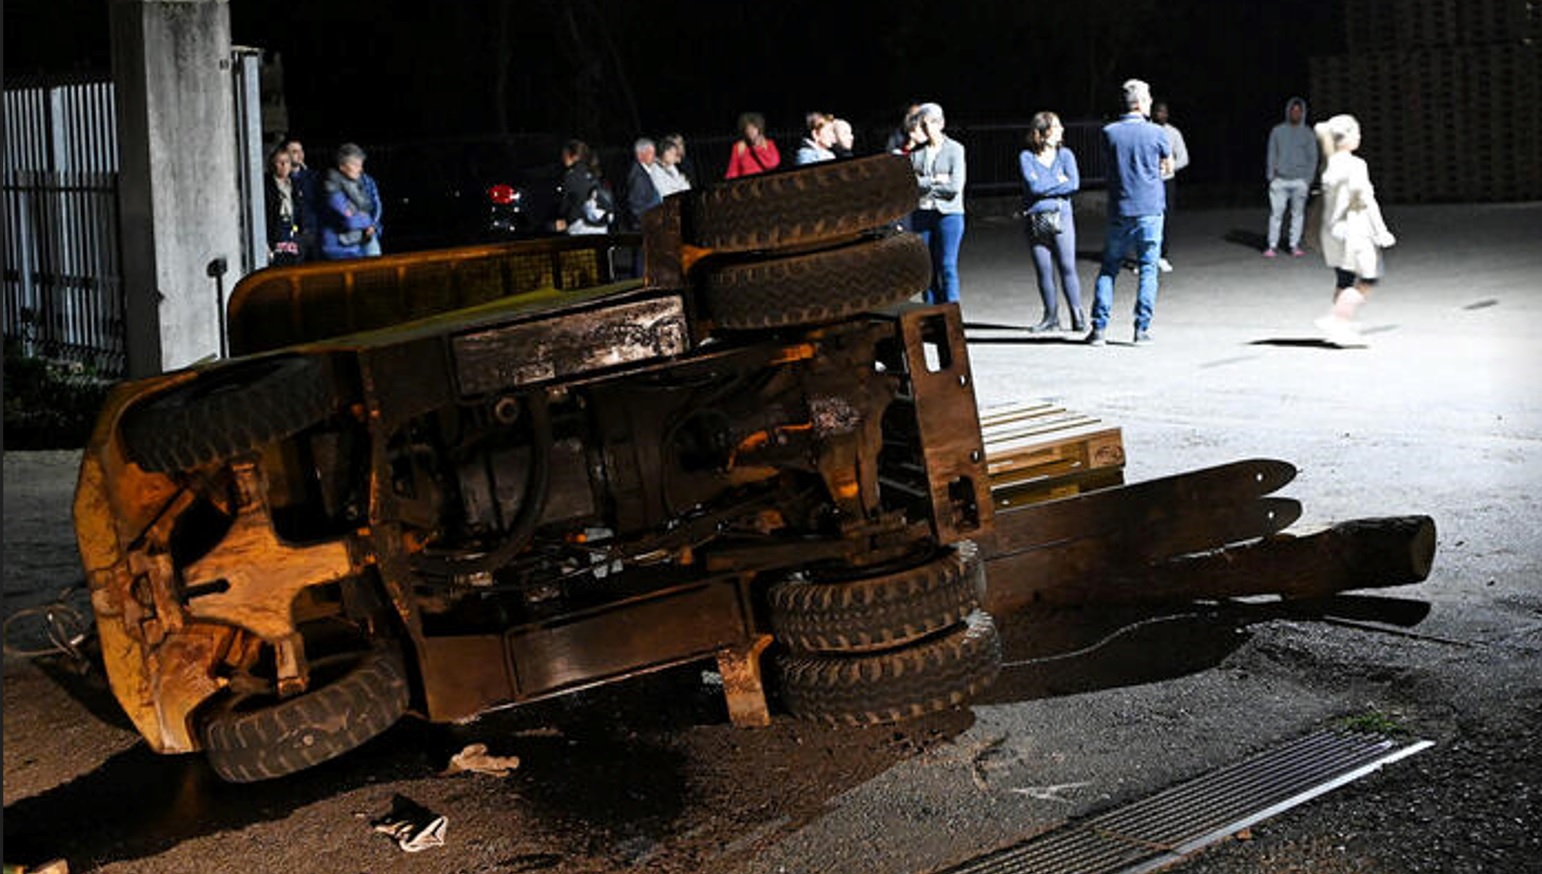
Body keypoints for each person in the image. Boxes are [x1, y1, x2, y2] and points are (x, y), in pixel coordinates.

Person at [1087, 79, 1171, 346]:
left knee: (1109, 267)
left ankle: (1099, 328)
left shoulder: (1109, 132)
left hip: (1120, 207)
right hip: (1150, 208)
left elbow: (1109, 167)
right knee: (1148, 268)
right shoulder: (1158, 133)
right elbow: (1167, 169)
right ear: (1142, 102)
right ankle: (1141, 329)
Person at [1312, 114, 1395, 345]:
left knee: (1344, 278)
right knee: (1370, 277)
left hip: (1331, 230)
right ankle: (1339, 319)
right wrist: (1381, 231)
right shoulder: (1356, 165)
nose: (1360, 136)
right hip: (1353, 231)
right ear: (1345, 138)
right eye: (1356, 132)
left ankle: (1339, 322)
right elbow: (1365, 200)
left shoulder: (1329, 164)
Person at [1019, 111, 1085, 333]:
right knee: (1043, 269)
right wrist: (1058, 183)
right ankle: (1051, 316)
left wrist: (1046, 186)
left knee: (1068, 266)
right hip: (1035, 218)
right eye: (1056, 127)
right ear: (1043, 132)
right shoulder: (1026, 157)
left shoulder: (1065, 155)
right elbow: (1033, 187)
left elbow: (1074, 184)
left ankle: (1078, 315)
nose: (1061, 130)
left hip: (1062, 216)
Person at [907, 102, 967, 305]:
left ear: (940, 123)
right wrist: (936, 179)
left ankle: (952, 316)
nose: (924, 129)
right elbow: (912, 184)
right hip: (923, 214)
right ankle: (931, 316)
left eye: (928, 124)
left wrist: (926, 182)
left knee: (947, 265)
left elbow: (954, 187)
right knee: (927, 269)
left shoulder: (955, 150)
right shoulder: (917, 153)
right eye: (921, 125)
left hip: (950, 214)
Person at [1265, 97, 1318, 258]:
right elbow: (1272, 154)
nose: (1295, 113)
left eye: (1298, 111)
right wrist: (1271, 176)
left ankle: (1294, 245)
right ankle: (1272, 245)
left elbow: (1313, 157)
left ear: (1302, 113)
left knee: (1297, 214)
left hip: (1299, 180)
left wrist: (1307, 179)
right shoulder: (1278, 131)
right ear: (1288, 112)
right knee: (1276, 214)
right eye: (1293, 110)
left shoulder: (1308, 133)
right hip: (1280, 180)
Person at [318, 142, 383, 260]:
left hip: (363, 239)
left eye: (361, 164)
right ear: (342, 166)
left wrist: (372, 224)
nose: (360, 168)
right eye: (355, 164)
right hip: (339, 246)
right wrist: (367, 221)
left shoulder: (364, 181)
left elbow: (375, 205)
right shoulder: (330, 185)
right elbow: (348, 220)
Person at [1151, 100, 1189, 272]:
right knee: (1147, 219)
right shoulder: (1147, 130)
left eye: (1165, 112)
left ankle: (1162, 256)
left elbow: (1183, 157)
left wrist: (1170, 166)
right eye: (1159, 111)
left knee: (1166, 218)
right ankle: (1146, 258)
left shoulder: (1173, 133)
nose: (1162, 115)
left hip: (1167, 181)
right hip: (1148, 181)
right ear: (1153, 113)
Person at [554, 139, 612, 236]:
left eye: (565, 155)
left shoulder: (571, 176)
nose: (563, 158)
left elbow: (567, 206)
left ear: (574, 157)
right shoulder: (595, 171)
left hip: (581, 227)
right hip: (601, 225)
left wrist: (564, 220)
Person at [263, 144, 306, 266]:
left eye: (287, 161)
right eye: (279, 162)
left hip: (292, 229)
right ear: (272, 164)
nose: (284, 165)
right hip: (276, 230)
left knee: (294, 265)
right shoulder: (266, 185)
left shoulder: (294, 183)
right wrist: (266, 244)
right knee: (278, 266)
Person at [620, 137, 661, 232]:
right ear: (640, 155)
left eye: (654, 152)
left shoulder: (645, 171)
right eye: (651, 153)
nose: (654, 156)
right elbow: (636, 207)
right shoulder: (638, 177)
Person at [725, 112, 780, 178]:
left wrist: (758, 148)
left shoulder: (768, 144)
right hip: (747, 185)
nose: (750, 131)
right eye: (747, 129)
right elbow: (732, 172)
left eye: (754, 128)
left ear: (759, 129)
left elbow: (773, 164)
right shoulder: (739, 147)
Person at [649, 133, 693, 198]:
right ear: (666, 153)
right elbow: (664, 193)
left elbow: (686, 186)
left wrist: (680, 185)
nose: (676, 156)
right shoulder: (655, 170)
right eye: (673, 154)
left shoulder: (671, 166)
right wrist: (679, 185)